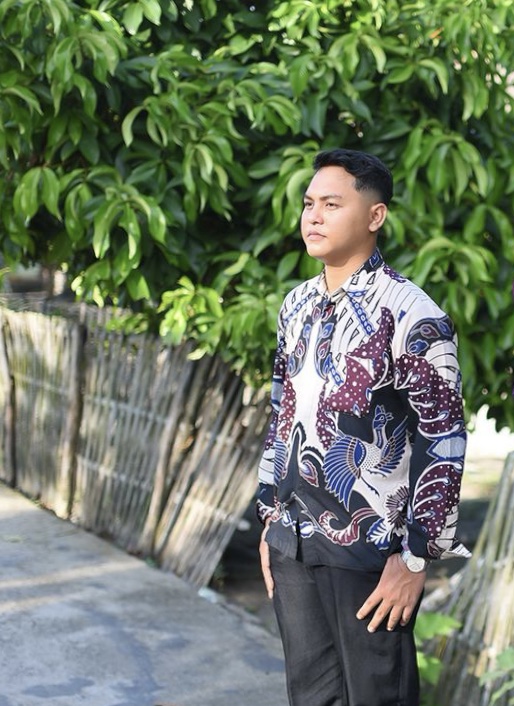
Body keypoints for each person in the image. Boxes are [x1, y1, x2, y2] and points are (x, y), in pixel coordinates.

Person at [257, 148, 470, 706]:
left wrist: (416, 557)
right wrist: (270, 517)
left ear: (375, 216)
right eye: (309, 204)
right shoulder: (296, 305)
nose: (313, 216)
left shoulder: (412, 314)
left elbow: (444, 440)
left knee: (378, 697)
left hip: (372, 553)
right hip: (293, 541)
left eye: (332, 204)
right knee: (310, 697)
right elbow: (283, 411)